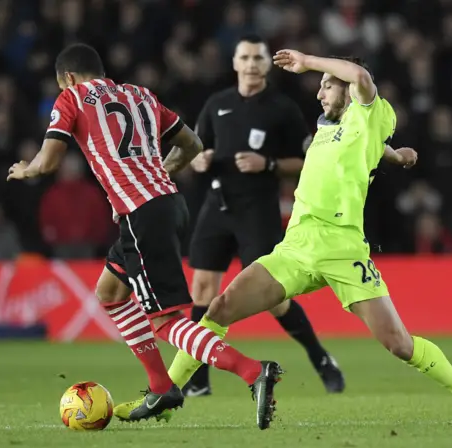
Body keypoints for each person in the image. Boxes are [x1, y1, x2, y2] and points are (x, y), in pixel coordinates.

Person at [202, 49, 452, 424]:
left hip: (343, 249)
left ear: (348, 88)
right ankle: (163, 394)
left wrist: (307, 60)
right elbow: (361, 143)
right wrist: (395, 156)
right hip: (297, 247)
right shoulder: (329, 126)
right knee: (218, 309)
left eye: (327, 85)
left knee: (399, 344)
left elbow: (361, 79)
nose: (319, 93)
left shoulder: (369, 108)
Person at [6, 43, 282, 430]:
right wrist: (160, 173)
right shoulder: (140, 94)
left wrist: (29, 169)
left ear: (67, 78)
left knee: (166, 322)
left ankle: (253, 371)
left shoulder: (72, 96)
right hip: (169, 205)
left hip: (141, 214)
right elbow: (193, 144)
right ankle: (161, 386)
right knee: (110, 292)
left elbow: (50, 159)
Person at [100, 35, 344, 404]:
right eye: (244, 57)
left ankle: (320, 357)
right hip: (216, 207)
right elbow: (195, 147)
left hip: (257, 209)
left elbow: (311, 159)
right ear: (234, 63)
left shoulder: (282, 108)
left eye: (258, 58)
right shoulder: (218, 105)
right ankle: (198, 377)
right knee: (202, 291)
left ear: (267, 64)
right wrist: (198, 160)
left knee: (275, 301)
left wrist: (271, 165)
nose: (250, 64)